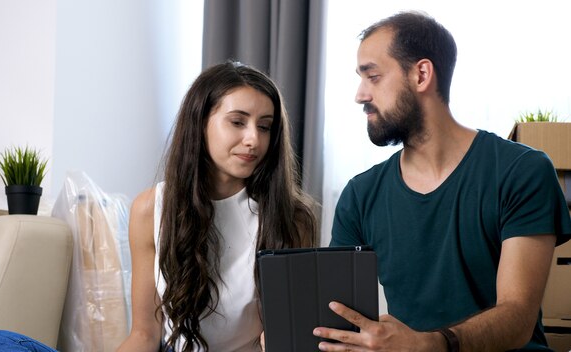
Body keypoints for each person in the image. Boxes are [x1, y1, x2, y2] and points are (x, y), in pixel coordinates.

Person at [312, 11, 571, 352]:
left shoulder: (522, 171)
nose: (360, 95)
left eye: (372, 77)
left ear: (421, 74)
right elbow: (337, 316)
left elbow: (518, 317)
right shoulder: (360, 195)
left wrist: (429, 344)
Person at [117, 61, 317, 352]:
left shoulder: (292, 218)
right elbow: (145, 335)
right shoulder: (149, 209)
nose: (254, 139)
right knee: (23, 343)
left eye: (264, 126)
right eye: (238, 122)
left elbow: (286, 340)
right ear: (200, 123)